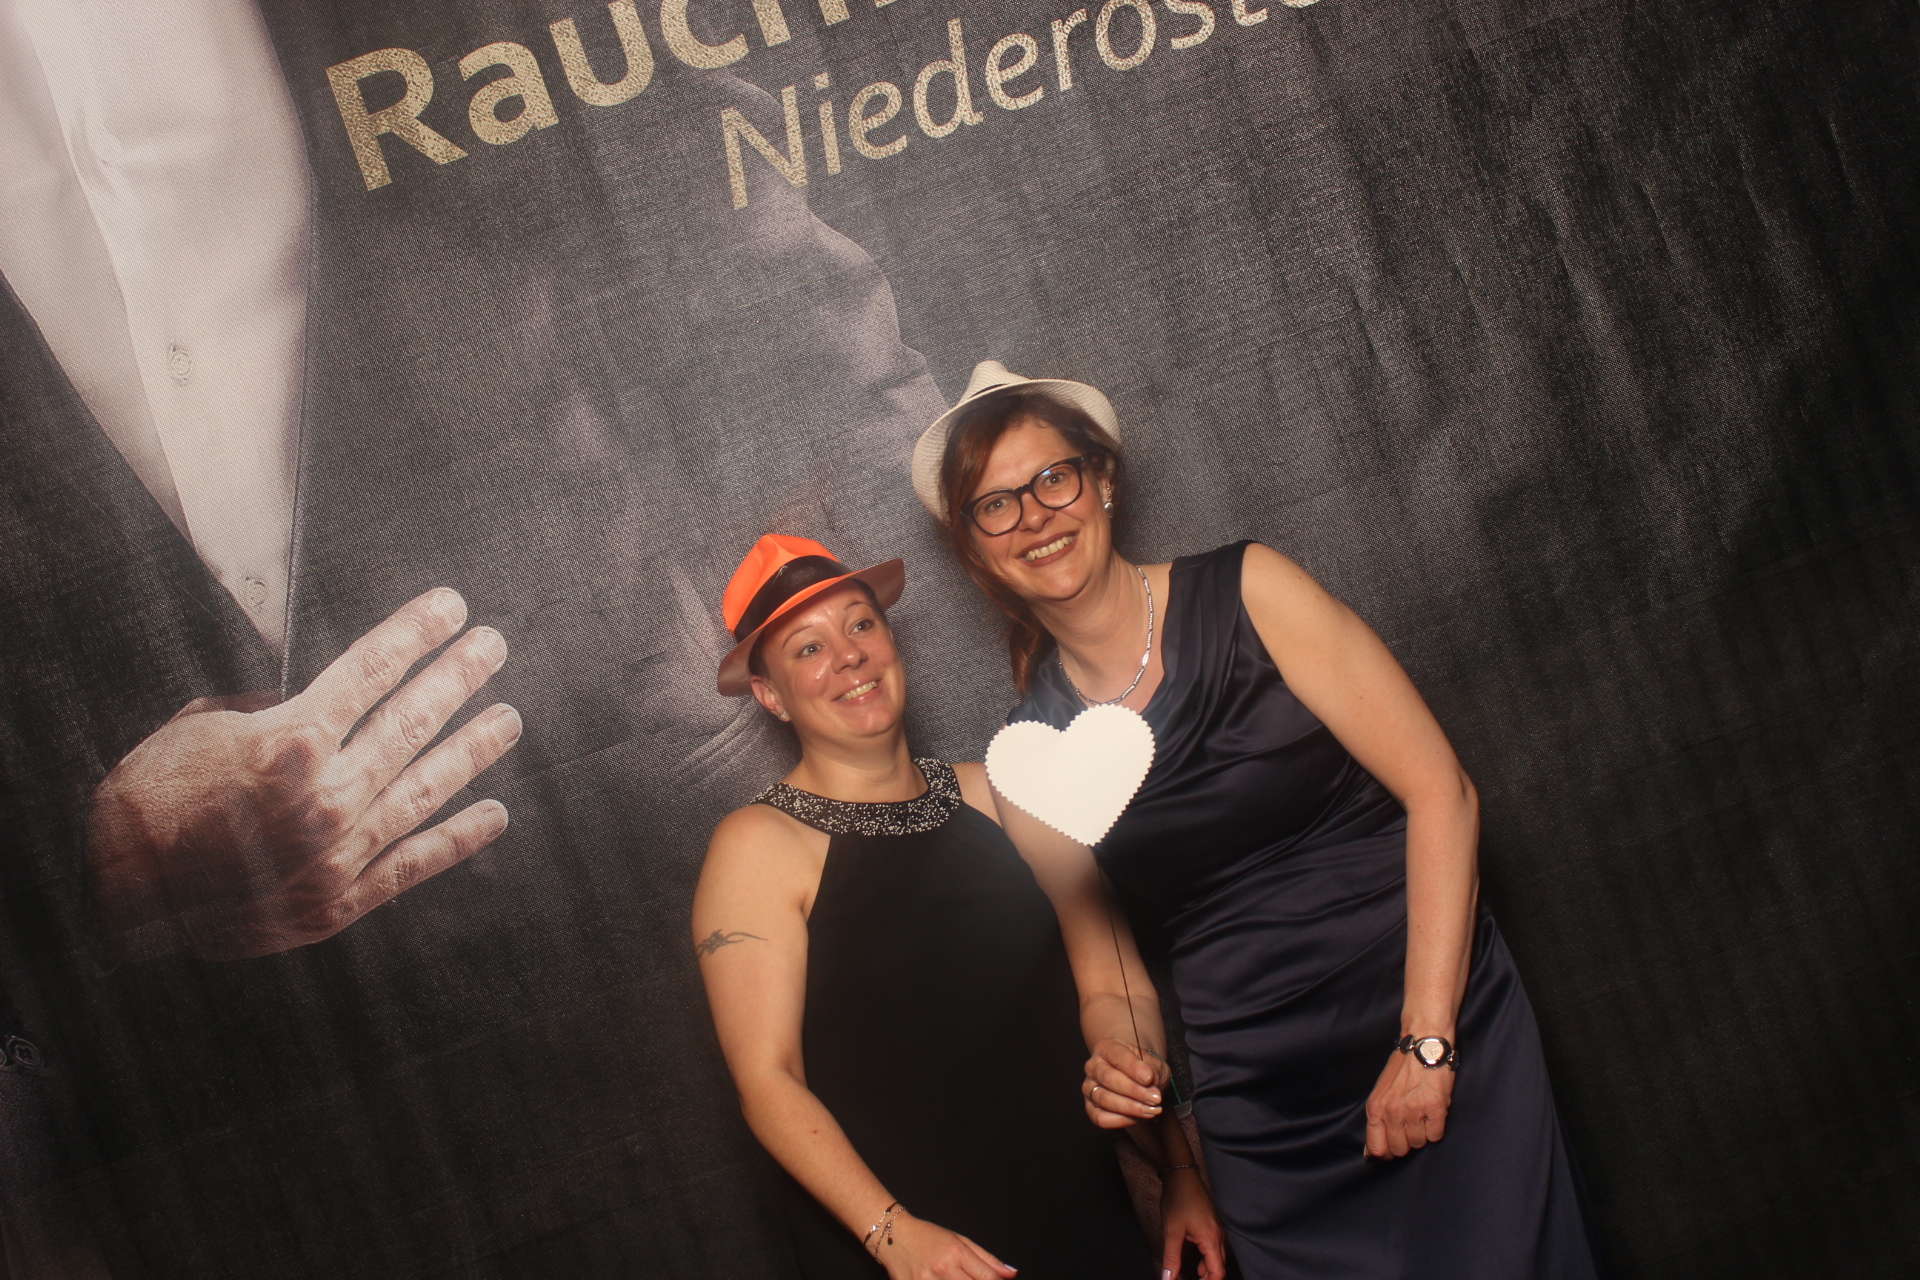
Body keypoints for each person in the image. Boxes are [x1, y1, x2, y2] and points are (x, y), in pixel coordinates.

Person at [913, 362, 1606, 1278]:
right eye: (996, 506)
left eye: (1053, 478)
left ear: (1103, 478)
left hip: (1428, 1015)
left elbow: (1443, 792)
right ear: (973, 548)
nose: (1035, 517)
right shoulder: (1029, 759)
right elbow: (1112, 979)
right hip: (1269, 1113)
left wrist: (1429, 1042)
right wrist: (1123, 1062)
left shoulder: (1252, 591)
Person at [692, 534, 1226, 1280]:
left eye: (861, 623)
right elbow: (768, 1082)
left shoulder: (1006, 790)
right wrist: (895, 1237)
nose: (849, 655)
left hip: (1076, 1228)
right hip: (903, 1254)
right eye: (808, 648)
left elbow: (1110, 985)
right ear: (770, 695)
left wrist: (1176, 1169)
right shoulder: (758, 844)